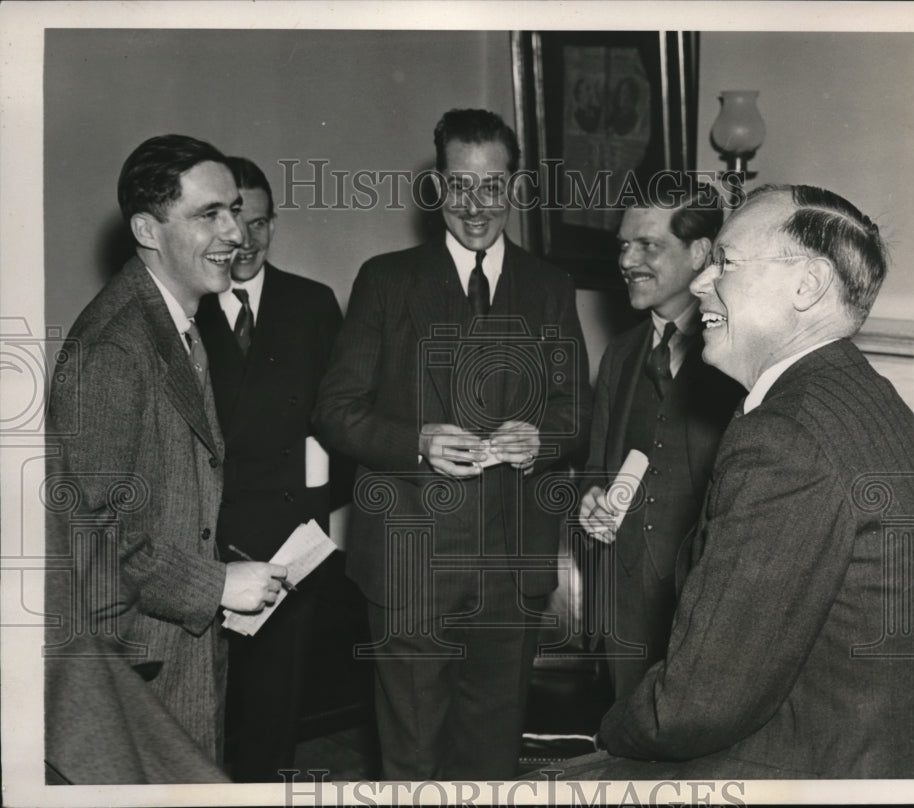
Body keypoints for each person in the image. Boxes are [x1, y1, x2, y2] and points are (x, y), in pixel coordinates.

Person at [540, 184, 914, 779]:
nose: (699, 284)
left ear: (808, 284)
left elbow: (698, 704)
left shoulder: (786, 437)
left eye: (726, 263)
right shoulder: (855, 393)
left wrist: (609, 731)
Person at [312, 108, 591, 780]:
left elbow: (576, 412)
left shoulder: (549, 287)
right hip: (411, 569)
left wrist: (542, 438)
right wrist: (416, 443)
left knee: (491, 760)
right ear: (437, 187)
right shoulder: (386, 281)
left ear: (516, 189)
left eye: (492, 186)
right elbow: (335, 413)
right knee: (413, 760)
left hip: (510, 574)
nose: (476, 206)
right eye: (460, 186)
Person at [45, 134, 287, 782]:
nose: (235, 232)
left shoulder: (175, 321)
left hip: (176, 646)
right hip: (137, 664)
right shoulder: (115, 348)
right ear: (148, 229)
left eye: (235, 210)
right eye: (210, 214)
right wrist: (216, 586)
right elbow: (92, 535)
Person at [195, 156, 350, 781]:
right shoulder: (189, 306)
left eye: (261, 224)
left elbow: (344, 422)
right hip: (207, 547)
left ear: (273, 226)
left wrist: (318, 522)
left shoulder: (311, 304)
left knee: (272, 717)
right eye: (236, 222)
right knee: (200, 712)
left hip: (291, 547)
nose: (248, 241)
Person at [577, 183, 743, 699]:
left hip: (706, 609)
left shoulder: (739, 353)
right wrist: (589, 500)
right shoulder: (621, 355)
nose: (627, 259)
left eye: (647, 245)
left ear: (699, 253)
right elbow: (595, 466)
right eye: (623, 245)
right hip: (625, 610)